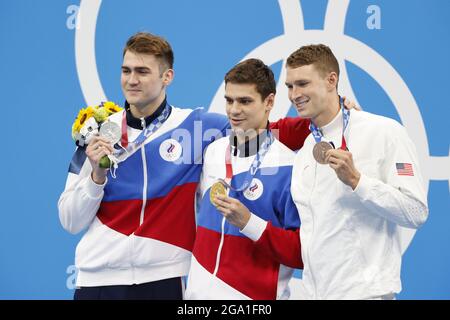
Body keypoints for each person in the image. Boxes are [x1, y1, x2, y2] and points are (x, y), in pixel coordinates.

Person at [58, 32, 314, 299]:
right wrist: (96, 178)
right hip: (97, 280)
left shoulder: (195, 128)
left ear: (167, 77)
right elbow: (70, 220)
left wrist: (333, 116)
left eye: (143, 71)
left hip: (163, 280)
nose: (132, 80)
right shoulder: (100, 131)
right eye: (126, 70)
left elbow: (260, 128)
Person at [286, 44, 429, 299]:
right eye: (289, 86)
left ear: (332, 80)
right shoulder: (307, 148)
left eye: (303, 84)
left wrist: (357, 181)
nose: (294, 94)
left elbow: (416, 211)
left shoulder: (384, 131)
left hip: (366, 294)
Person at [185, 59, 302, 300]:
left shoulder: (290, 167)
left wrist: (249, 223)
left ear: (269, 102)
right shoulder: (213, 151)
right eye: (229, 100)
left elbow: (300, 253)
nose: (234, 110)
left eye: (245, 101)